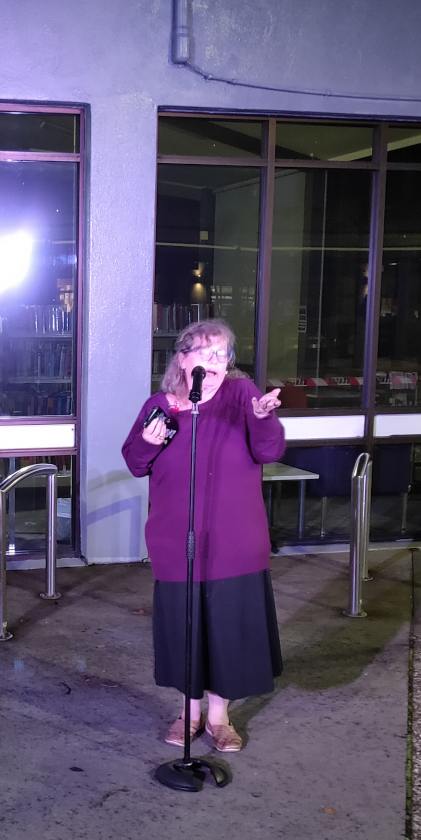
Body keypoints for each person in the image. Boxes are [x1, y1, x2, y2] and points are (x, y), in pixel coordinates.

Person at [121, 319, 285, 753]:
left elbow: (268, 451)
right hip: (179, 542)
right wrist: (147, 441)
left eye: (222, 354)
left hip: (236, 541)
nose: (215, 362)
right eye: (205, 353)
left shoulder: (243, 396)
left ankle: (219, 718)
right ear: (183, 358)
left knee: (229, 631)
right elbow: (137, 463)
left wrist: (265, 419)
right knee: (185, 629)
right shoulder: (163, 404)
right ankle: (188, 713)